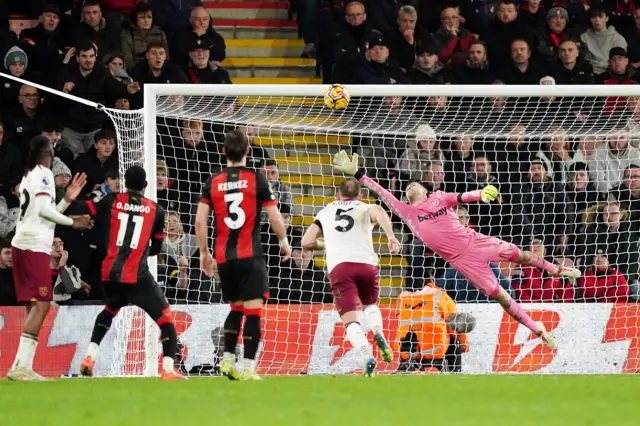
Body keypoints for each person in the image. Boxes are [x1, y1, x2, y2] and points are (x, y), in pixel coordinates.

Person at [332, 150, 583, 352]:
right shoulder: (406, 212)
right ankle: (538, 329)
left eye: (414, 186)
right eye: (407, 188)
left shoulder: (439, 197)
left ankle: (557, 270)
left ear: (425, 190)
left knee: (523, 255)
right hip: (461, 260)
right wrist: (359, 174)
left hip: (474, 240)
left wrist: (481, 193)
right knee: (501, 296)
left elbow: (463, 197)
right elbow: (382, 193)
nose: (409, 188)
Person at [195, 130, 291, 381]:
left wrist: (205, 253)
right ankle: (248, 366)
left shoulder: (213, 182)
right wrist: (284, 241)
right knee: (253, 312)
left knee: (236, 308)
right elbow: (275, 216)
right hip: (250, 255)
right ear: (247, 151)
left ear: (223, 151)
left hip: (224, 257)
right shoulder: (257, 180)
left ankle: (227, 359)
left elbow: (200, 221)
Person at [78, 166, 186, 380]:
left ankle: (90, 355)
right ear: (145, 186)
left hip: (111, 273)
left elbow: (84, 208)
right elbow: (156, 249)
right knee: (166, 321)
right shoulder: (156, 210)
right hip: (138, 276)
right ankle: (167, 369)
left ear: (125, 183)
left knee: (109, 310)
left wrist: (69, 200)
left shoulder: (112, 201)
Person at [7, 136, 92, 381]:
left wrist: (67, 200)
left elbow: (44, 213)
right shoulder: (44, 173)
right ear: (49, 151)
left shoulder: (29, 175)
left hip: (22, 243)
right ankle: (21, 368)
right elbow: (45, 212)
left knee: (33, 305)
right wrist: (73, 222)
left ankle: (21, 366)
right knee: (43, 304)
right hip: (34, 246)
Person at [301, 177, 401, 377]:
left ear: (338, 194)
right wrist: (391, 236)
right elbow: (380, 211)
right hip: (366, 264)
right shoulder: (365, 207)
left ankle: (367, 356)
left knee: (350, 320)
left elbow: (306, 241)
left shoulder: (326, 211)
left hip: (340, 267)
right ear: (360, 195)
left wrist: (325, 243)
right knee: (371, 306)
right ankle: (378, 333)